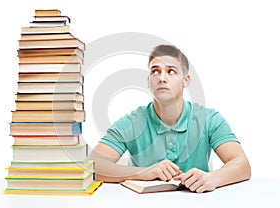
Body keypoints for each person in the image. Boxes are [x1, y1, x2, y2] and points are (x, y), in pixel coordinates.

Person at [89, 44, 251, 193]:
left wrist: (212, 178)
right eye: (155, 71)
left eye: (171, 71)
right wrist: (143, 172)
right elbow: (93, 166)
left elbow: (242, 164)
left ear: (185, 81)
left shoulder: (209, 119)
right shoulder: (131, 122)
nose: (161, 78)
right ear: (149, 81)